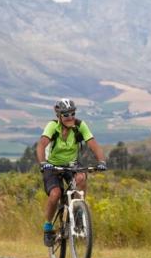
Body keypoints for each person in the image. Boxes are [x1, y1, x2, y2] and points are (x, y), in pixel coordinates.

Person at [36, 98, 107, 247]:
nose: (70, 117)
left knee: (81, 178)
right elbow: (41, 145)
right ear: (59, 116)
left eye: (72, 113)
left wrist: (101, 162)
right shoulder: (52, 126)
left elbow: (93, 144)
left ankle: (78, 213)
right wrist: (43, 163)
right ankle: (48, 227)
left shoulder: (80, 126)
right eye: (66, 115)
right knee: (55, 194)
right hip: (52, 166)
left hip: (72, 164)